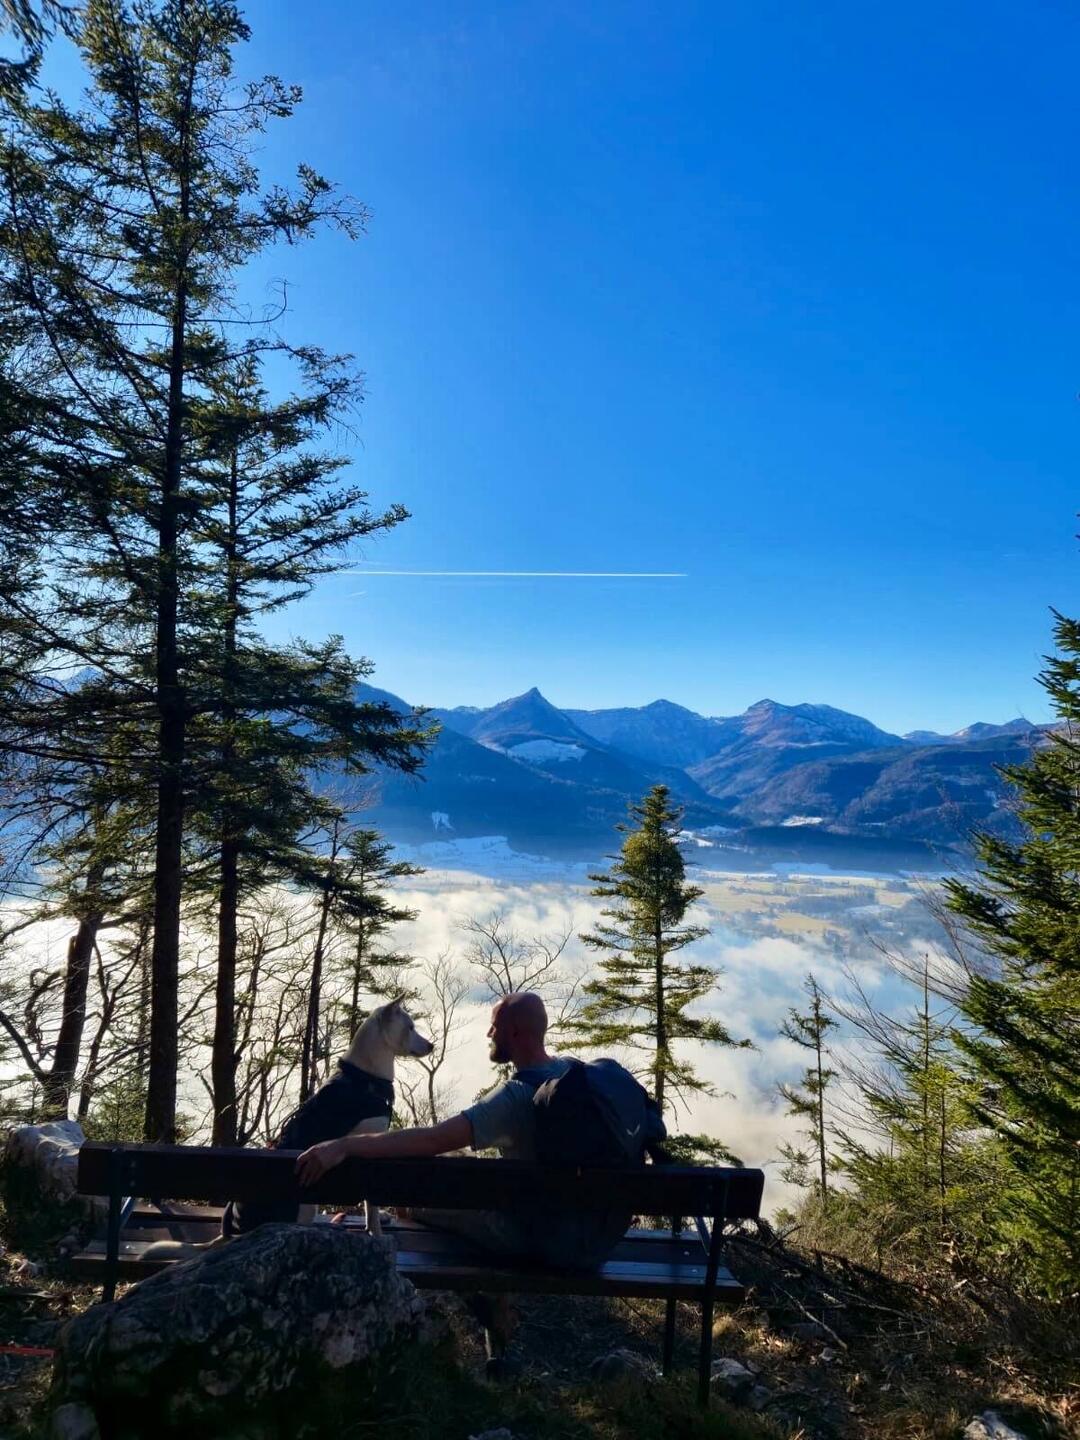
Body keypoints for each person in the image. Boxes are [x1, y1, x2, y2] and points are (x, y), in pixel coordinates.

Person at [295, 991, 631, 1270]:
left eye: (494, 1027)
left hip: (537, 1239)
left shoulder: (514, 1097)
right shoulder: (573, 1072)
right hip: (596, 1235)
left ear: (514, 1033)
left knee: (411, 1205)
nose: (488, 1035)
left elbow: (432, 1140)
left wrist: (344, 1146)